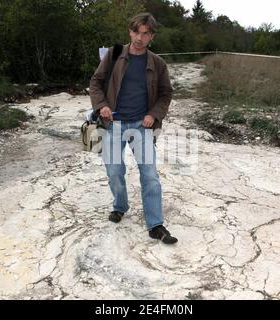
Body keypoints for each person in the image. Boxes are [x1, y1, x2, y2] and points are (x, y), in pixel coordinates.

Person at [89, 13, 177, 244]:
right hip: (113, 124)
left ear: (152, 36)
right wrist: (102, 106)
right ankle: (120, 206)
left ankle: (156, 225)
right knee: (114, 172)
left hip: (141, 125)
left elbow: (166, 94)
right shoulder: (114, 54)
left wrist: (154, 114)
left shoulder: (157, 63)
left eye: (145, 33)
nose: (140, 37)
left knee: (150, 176)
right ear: (130, 31)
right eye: (136, 31)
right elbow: (95, 83)